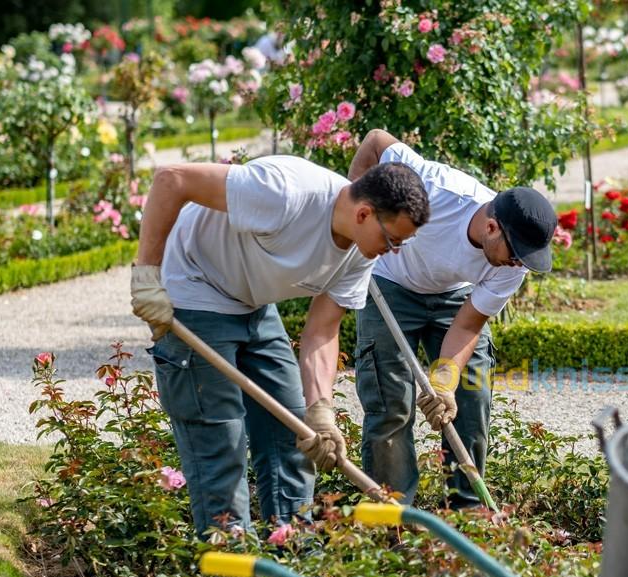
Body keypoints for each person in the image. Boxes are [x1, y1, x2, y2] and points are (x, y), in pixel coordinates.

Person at [129, 155, 430, 534]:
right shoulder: (285, 192)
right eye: (392, 240)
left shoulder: (362, 249)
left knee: (296, 431)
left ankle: (290, 548)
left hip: (251, 301)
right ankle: (233, 567)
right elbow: (172, 178)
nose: (394, 251)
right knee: (221, 443)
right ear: (364, 213)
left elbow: (321, 331)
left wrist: (321, 410)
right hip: (195, 287)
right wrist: (146, 273)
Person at [347, 129, 557, 508]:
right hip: (391, 282)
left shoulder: (513, 263)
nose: (518, 264)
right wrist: (353, 212)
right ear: (492, 227)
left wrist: (444, 382)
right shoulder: (434, 188)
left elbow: (467, 325)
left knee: (470, 392)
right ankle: (392, 513)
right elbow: (377, 141)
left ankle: (467, 510)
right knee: (390, 402)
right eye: (516, 255)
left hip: (453, 296)